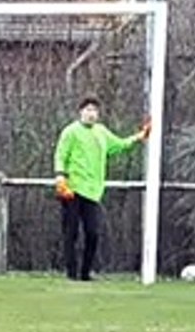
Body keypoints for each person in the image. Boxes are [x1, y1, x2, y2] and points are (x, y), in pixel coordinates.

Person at [53, 97, 150, 281]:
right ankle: (71, 273)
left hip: (93, 192)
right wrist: (60, 176)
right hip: (72, 189)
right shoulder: (71, 131)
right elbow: (60, 154)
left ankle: (85, 272)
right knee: (71, 233)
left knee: (93, 233)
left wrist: (139, 137)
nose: (91, 114)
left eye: (94, 110)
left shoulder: (101, 132)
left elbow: (119, 144)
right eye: (88, 110)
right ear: (81, 112)